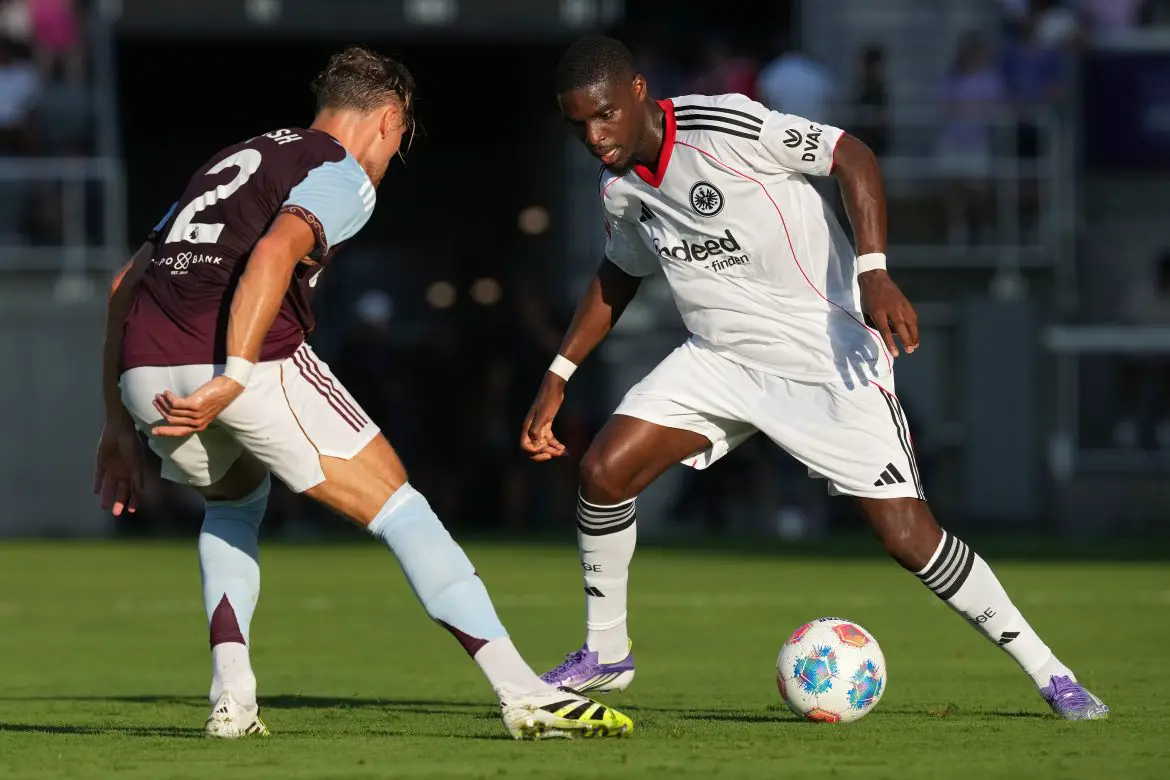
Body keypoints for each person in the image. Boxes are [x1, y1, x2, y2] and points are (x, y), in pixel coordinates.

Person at [520, 35, 1108, 721]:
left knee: (908, 538)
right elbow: (619, 271)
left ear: (639, 93)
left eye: (605, 116)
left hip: (825, 357)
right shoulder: (619, 188)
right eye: (579, 125)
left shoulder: (725, 125)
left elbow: (850, 154)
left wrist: (875, 272)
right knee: (602, 472)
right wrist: (559, 373)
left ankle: (1052, 674)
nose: (595, 136)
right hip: (719, 359)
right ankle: (606, 653)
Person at [93, 45, 632, 741]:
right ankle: (524, 691)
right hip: (240, 364)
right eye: (400, 139)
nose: (392, 155)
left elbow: (121, 285)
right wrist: (233, 371)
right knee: (403, 509)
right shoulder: (338, 171)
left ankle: (232, 696)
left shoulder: (233, 158)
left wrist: (113, 422)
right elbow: (275, 251)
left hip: (144, 372)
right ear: (385, 121)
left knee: (233, 504)